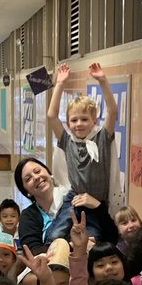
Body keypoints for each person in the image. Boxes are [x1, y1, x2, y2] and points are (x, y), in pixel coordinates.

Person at [44, 62, 118, 243]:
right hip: (74, 198)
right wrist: (60, 83)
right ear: (68, 123)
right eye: (74, 120)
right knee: (54, 236)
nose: (79, 124)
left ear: (94, 121)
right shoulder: (67, 141)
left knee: (93, 238)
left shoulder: (101, 138)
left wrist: (102, 80)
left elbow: (112, 110)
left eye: (84, 119)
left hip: (95, 202)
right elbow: (51, 115)